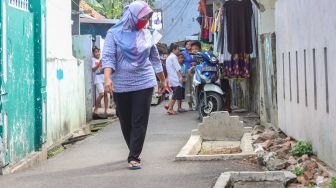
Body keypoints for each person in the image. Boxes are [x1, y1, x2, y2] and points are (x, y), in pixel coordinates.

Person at [102, 1, 166, 170]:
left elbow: (155, 59)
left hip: (144, 81)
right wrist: (107, 78)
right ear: (132, 15)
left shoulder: (148, 34)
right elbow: (108, 57)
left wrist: (163, 80)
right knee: (125, 120)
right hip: (121, 83)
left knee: (139, 120)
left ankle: (134, 156)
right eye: (144, 17)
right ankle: (133, 148)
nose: (146, 20)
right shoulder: (113, 34)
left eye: (148, 18)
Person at [166, 44, 184, 115]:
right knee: (175, 94)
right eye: (178, 49)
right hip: (175, 78)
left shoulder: (169, 57)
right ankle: (170, 108)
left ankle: (169, 106)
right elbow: (177, 68)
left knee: (173, 93)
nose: (178, 51)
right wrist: (180, 77)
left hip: (171, 77)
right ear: (174, 49)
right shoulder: (173, 57)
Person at [92, 47, 108, 118]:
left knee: (105, 94)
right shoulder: (93, 60)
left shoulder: (102, 60)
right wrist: (99, 63)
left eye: (98, 52)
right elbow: (93, 69)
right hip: (98, 79)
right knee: (101, 94)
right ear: (93, 53)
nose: (98, 53)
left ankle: (106, 111)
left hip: (104, 78)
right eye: (96, 52)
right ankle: (95, 110)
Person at [182, 40, 194, 110]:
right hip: (187, 73)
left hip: (194, 72)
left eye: (190, 44)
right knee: (188, 89)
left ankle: (195, 103)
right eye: (187, 44)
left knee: (194, 88)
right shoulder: (183, 53)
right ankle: (190, 106)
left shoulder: (194, 52)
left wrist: (195, 63)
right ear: (185, 46)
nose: (189, 45)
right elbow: (180, 61)